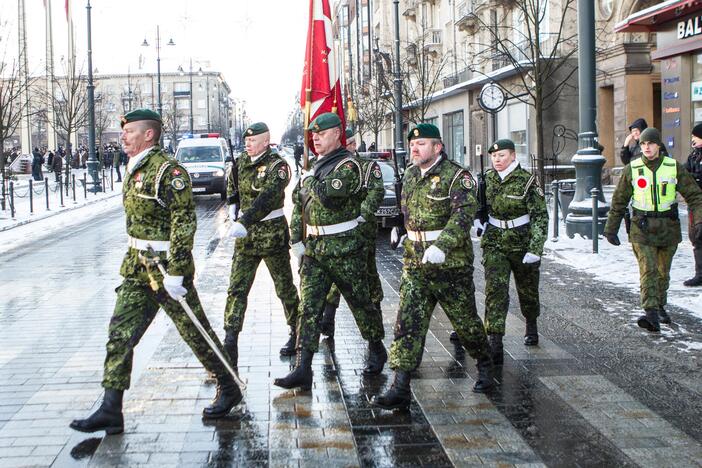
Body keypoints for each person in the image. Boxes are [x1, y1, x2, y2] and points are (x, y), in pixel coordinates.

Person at [69, 109, 242, 435]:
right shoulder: (135, 168)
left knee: (195, 333)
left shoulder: (167, 171)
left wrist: (177, 271)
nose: (123, 136)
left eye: (129, 131)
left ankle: (229, 386)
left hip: (166, 270)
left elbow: (184, 222)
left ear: (149, 134)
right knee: (120, 334)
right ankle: (111, 408)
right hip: (137, 268)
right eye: (123, 132)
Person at [371, 124, 493, 411]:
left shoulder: (456, 177)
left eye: (422, 144)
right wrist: (400, 229)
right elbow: (408, 209)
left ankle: (485, 364)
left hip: (450, 264)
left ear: (437, 147)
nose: (415, 149)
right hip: (415, 263)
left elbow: (464, 215)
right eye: (413, 144)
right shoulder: (412, 175)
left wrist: (443, 245)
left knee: (465, 323)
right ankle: (400, 386)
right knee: (407, 323)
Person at [274, 112, 386, 391]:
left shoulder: (347, 167)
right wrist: (296, 240)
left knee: (360, 301)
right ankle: (303, 367)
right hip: (315, 250)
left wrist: (309, 178)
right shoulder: (315, 167)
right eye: (313, 135)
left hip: (344, 248)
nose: (315, 139)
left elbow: (327, 195)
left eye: (321, 134)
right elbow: (300, 205)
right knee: (308, 308)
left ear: (337, 134)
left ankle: (376, 347)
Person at [604, 128, 702, 331]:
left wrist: (699, 221)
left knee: (662, 273)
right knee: (648, 270)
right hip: (642, 227)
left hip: (668, 227)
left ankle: (659, 305)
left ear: (658, 145)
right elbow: (619, 200)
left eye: (650, 143)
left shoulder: (673, 167)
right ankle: (651, 314)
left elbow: (694, 196)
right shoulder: (633, 168)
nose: (646, 147)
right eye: (643, 144)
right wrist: (611, 228)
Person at [222, 122, 300, 365]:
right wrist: (233, 201)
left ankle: (297, 333)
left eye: (253, 140)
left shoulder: (278, 166)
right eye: (247, 140)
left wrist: (244, 219)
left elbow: (267, 198)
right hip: (246, 240)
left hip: (271, 236)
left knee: (284, 288)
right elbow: (233, 183)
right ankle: (230, 340)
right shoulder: (241, 162)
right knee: (237, 289)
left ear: (266, 141)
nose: (248, 144)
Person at [475, 139, 548, 365]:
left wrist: (536, 248)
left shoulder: (527, 182)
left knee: (527, 289)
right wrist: (479, 220)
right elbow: (478, 205)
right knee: (495, 291)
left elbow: (540, 216)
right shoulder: (486, 179)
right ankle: (495, 339)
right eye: (494, 156)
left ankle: (531, 322)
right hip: (495, 240)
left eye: (502, 156)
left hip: (522, 241)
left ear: (513, 156)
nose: (497, 160)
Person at [320, 128, 385, 338]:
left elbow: (377, 190)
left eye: (347, 144)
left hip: (362, 230)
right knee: (333, 279)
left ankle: (376, 322)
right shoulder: (329, 166)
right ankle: (328, 321)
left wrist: (363, 213)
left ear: (353, 145)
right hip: (337, 234)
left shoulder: (367, 167)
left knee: (368, 276)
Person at [683, 123, 702, 286]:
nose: (693, 139)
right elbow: (684, 173)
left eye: (695, 136)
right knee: (696, 238)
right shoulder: (693, 156)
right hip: (694, 204)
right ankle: (700, 274)